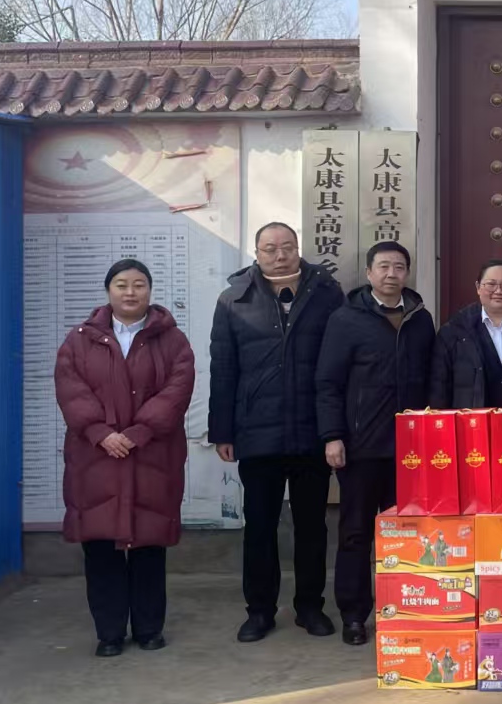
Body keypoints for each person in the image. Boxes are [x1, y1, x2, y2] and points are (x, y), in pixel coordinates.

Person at [53, 258, 195, 657]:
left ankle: (149, 629)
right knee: (101, 549)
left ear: (149, 290)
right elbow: (70, 389)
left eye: (138, 284)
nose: (130, 292)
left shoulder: (172, 340)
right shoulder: (79, 340)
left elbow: (177, 389)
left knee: (149, 547)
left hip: (152, 455)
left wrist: (138, 433)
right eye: (121, 284)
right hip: (95, 458)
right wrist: (100, 432)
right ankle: (110, 633)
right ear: (108, 291)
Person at [209, 222, 342, 644]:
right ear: (257, 253)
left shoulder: (326, 293)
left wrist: (335, 429)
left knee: (312, 527)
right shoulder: (234, 299)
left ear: (298, 248)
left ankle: (310, 607)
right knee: (260, 528)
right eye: (270, 248)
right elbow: (223, 369)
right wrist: (222, 430)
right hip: (257, 433)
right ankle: (259, 611)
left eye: (287, 247)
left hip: (310, 432)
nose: (280, 255)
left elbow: (340, 366)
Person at [315, 241, 434, 645]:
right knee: (355, 533)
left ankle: (406, 607)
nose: (391, 274)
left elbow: (432, 379)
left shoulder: (420, 319)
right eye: (383, 266)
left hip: (411, 450)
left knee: (408, 533)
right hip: (361, 447)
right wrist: (332, 435)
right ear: (368, 273)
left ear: (407, 273)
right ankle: (354, 614)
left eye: (398, 267)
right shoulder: (346, 319)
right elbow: (328, 383)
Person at [429, 258, 502, 409]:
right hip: (470, 421)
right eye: (491, 284)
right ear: (478, 287)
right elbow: (439, 388)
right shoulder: (454, 331)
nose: (498, 291)